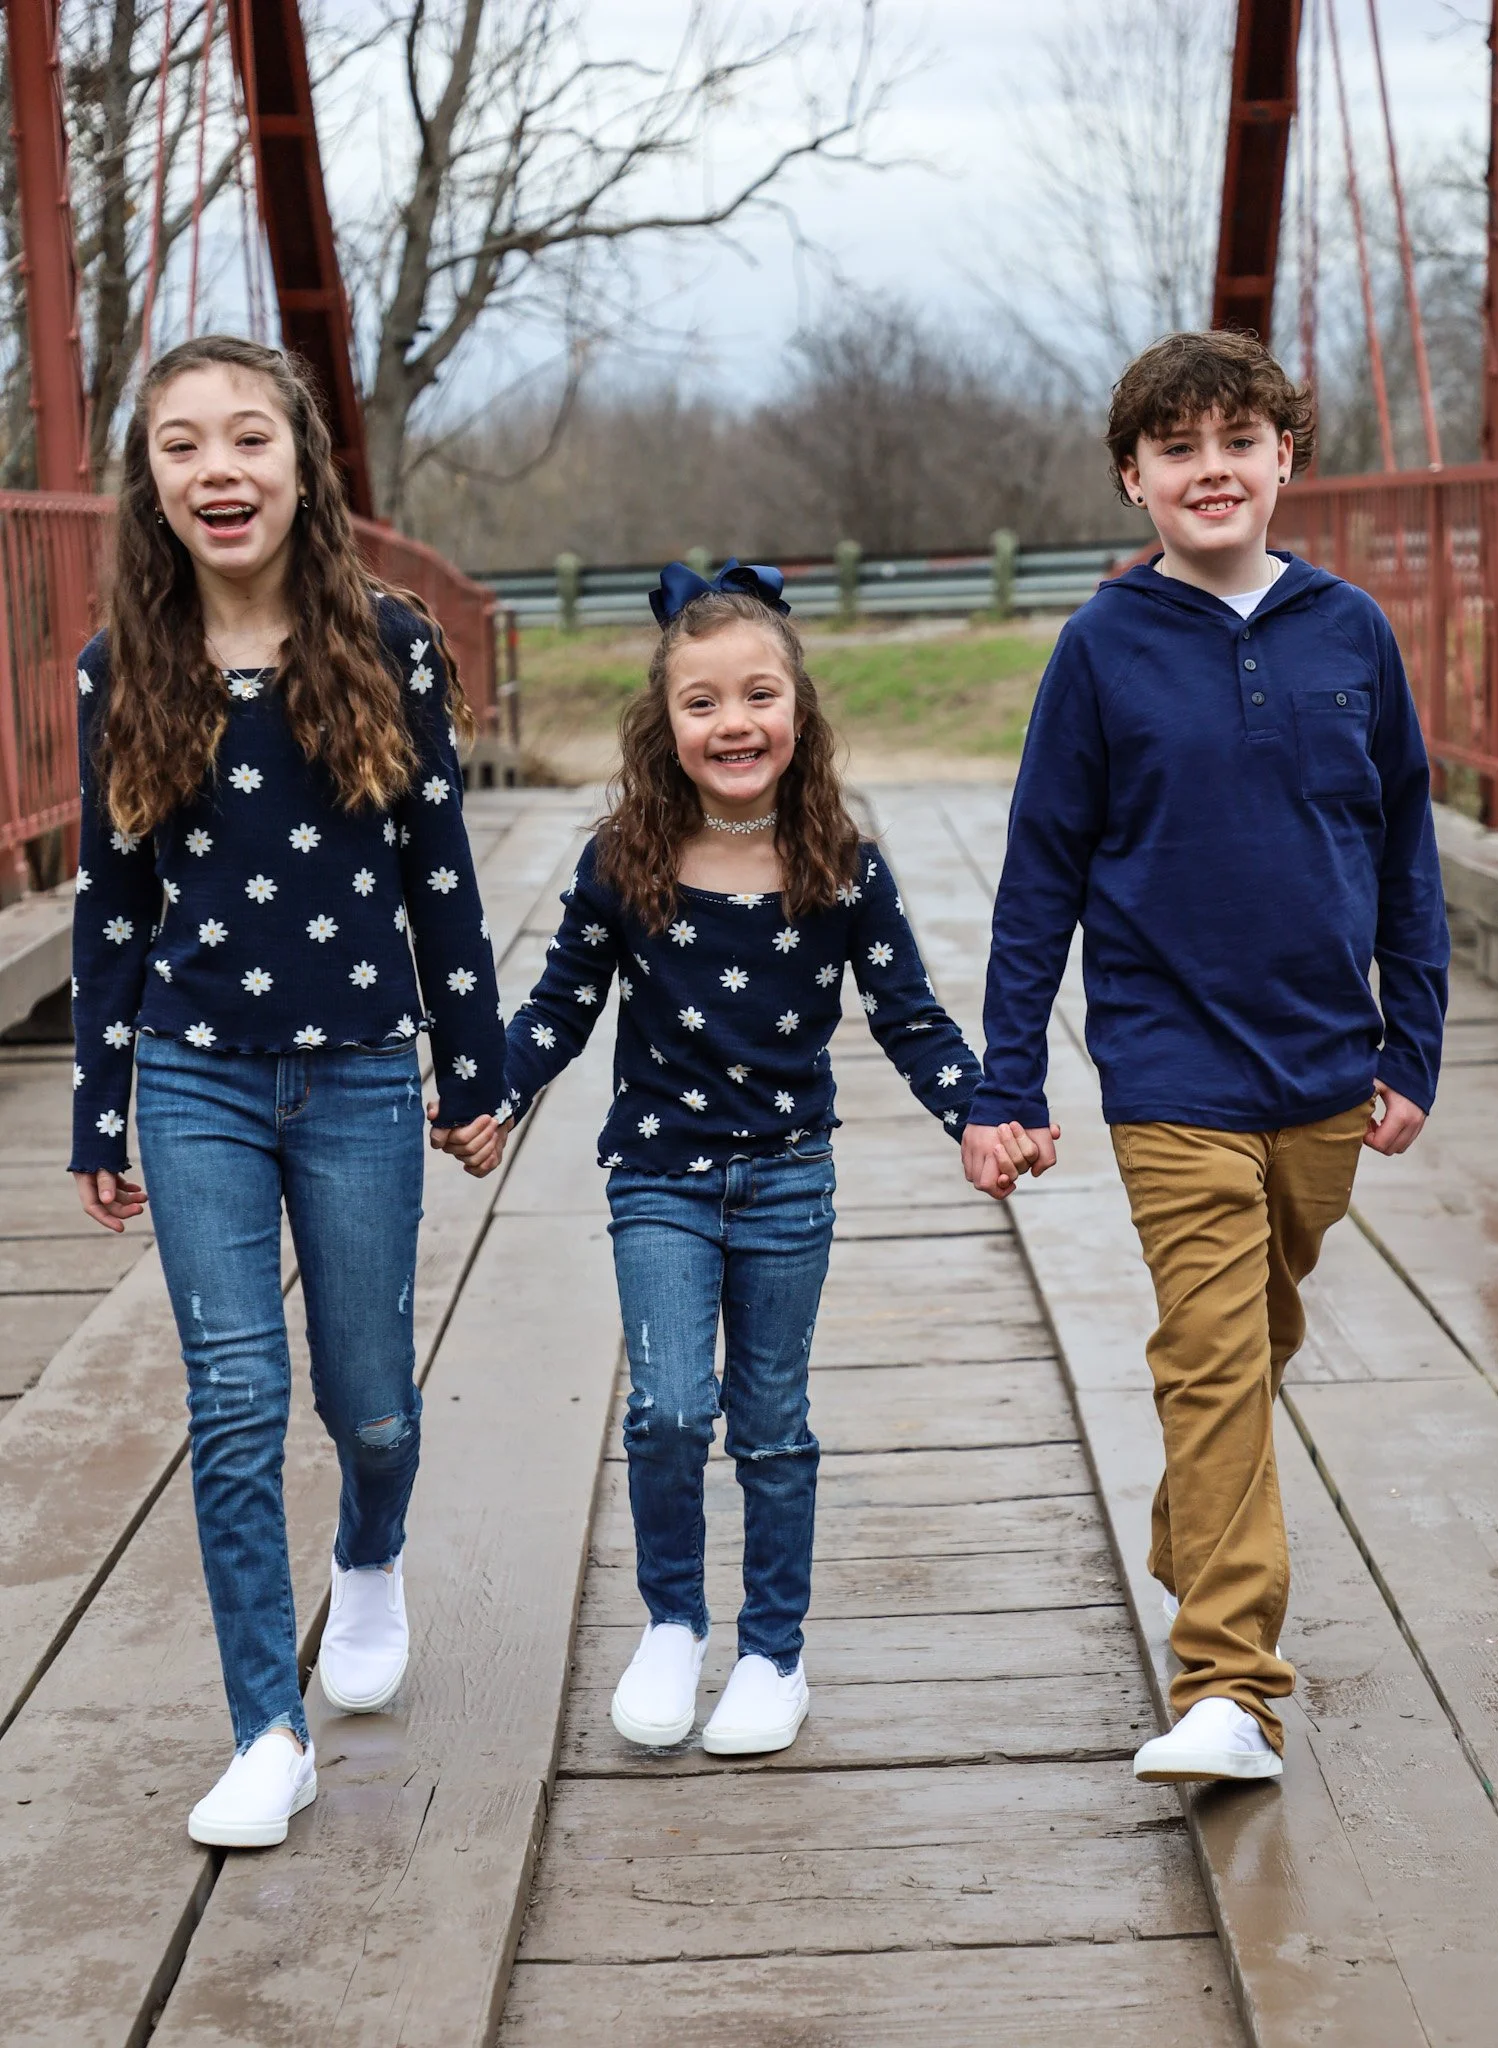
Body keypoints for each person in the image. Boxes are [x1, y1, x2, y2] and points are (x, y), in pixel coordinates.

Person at [962, 330, 1449, 1784]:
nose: (1209, 468)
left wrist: (1410, 1039)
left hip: (1323, 1065)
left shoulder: (1347, 631)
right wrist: (1006, 1078)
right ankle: (1229, 1685)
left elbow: (1407, 846)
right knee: (1213, 1350)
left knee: (1257, 1335)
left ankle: (1192, 1534)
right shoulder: (1100, 648)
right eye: (1174, 449)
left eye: (1236, 439)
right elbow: (1037, 870)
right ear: (1133, 480)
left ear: (1282, 459)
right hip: (1168, 1066)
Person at [69, 335, 509, 1849]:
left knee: (370, 1404)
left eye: (247, 438)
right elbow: (112, 904)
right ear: (151, 482)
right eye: (181, 445)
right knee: (236, 1396)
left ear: (304, 465)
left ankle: (371, 1557)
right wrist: (98, 1105)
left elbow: (440, 875)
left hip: (362, 1074)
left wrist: (478, 1069)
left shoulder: (387, 645)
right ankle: (268, 1727)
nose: (217, 470)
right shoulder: (122, 665)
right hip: (192, 1074)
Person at [490, 560, 1009, 1755]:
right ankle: (675, 1621)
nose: (735, 722)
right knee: (671, 1410)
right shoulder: (623, 860)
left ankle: (774, 1649)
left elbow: (913, 1017)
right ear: (663, 725)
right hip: (660, 1176)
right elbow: (560, 1005)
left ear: (800, 712)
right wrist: (496, 1096)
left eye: (759, 695)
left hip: (787, 1178)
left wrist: (978, 1114)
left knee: (771, 1420)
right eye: (703, 702)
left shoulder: (841, 865)